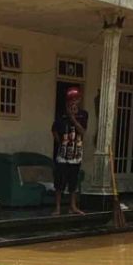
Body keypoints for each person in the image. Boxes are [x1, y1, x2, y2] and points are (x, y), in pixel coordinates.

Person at [51, 86, 89, 216]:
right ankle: (57, 208)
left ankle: (73, 206)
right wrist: (61, 142)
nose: (73, 103)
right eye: (70, 100)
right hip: (63, 156)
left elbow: (83, 131)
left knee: (73, 182)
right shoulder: (61, 116)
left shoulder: (83, 115)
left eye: (75, 100)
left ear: (79, 100)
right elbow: (54, 130)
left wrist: (73, 118)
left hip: (76, 155)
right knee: (59, 182)